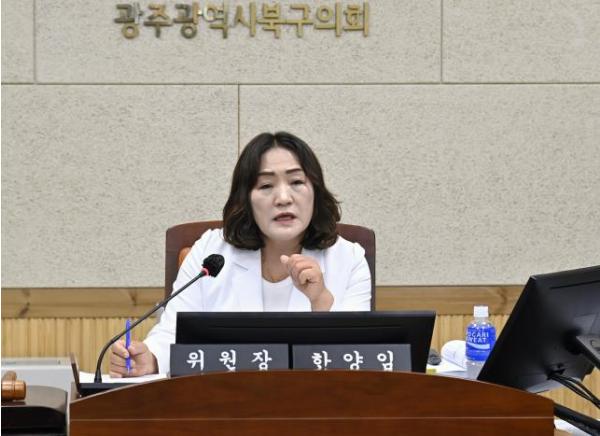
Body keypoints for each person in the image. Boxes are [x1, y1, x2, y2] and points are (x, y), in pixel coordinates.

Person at [109, 132, 371, 376]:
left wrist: (321, 301)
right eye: (266, 185)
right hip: (222, 400)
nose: (283, 198)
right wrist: (151, 358)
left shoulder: (349, 259)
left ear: (315, 190)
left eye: (296, 182)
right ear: (245, 198)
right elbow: (173, 334)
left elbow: (358, 361)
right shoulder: (210, 252)